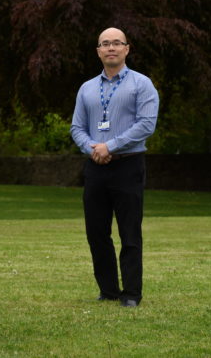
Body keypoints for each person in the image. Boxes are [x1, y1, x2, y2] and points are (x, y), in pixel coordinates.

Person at [70, 27, 159, 308]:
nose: (111, 48)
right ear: (98, 51)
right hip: (95, 166)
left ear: (127, 49)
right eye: (105, 44)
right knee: (96, 232)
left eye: (116, 43)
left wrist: (111, 146)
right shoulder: (86, 88)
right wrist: (93, 148)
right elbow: (77, 127)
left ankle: (131, 293)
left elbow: (146, 124)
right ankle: (108, 289)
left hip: (128, 165)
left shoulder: (142, 84)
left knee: (129, 231)